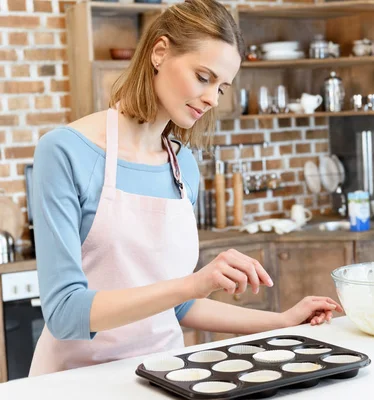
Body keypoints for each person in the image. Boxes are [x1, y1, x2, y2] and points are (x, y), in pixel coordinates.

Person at [29, 0, 342, 376]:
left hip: (164, 376)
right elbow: (64, 313)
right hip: (76, 382)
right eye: (203, 77)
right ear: (160, 52)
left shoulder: (183, 168)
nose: (212, 99)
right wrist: (195, 283)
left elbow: (177, 307)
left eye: (222, 88)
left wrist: (282, 320)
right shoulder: (65, 151)